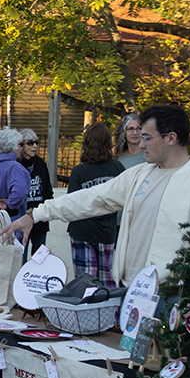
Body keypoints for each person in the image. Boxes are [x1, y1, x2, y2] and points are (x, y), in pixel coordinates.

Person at [1, 106, 190, 286]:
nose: (141, 145)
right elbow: (91, 198)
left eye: (147, 137)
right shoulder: (139, 175)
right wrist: (35, 215)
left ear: (171, 138)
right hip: (133, 288)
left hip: (174, 293)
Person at [66, 123, 125, 288]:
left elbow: (71, 203)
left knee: (86, 283)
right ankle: (109, 313)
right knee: (108, 282)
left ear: (86, 143)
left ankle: (88, 314)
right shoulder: (117, 168)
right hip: (107, 230)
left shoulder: (79, 171)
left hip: (82, 230)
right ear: (108, 143)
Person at [18, 128, 53, 259]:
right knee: (20, 257)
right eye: (30, 143)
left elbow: (47, 190)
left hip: (40, 218)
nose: (34, 146)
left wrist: (48, 211)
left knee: (40, 258)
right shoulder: (16, 165)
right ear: (21, 146)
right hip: (22, 219)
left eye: (36, 143)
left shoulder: (40, 164)